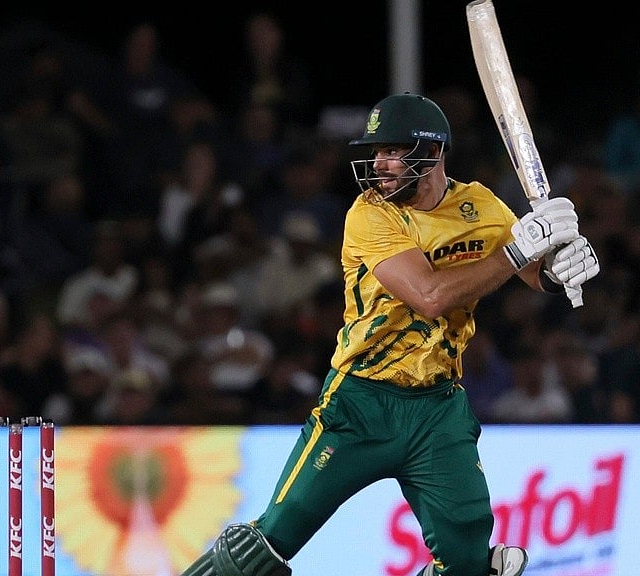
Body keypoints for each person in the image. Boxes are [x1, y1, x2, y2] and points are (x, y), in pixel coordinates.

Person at [181, 92, 599, 576]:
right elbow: (430, 295)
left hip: (437, 410)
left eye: (392, 150)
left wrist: (560, 265)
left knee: (468, 565)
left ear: (433, 153)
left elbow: (533, 273)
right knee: (266, 544)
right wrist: (518, 252)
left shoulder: (480, 206)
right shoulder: (369, 213)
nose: (379, 164)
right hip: (360, 402)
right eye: (375, 151)